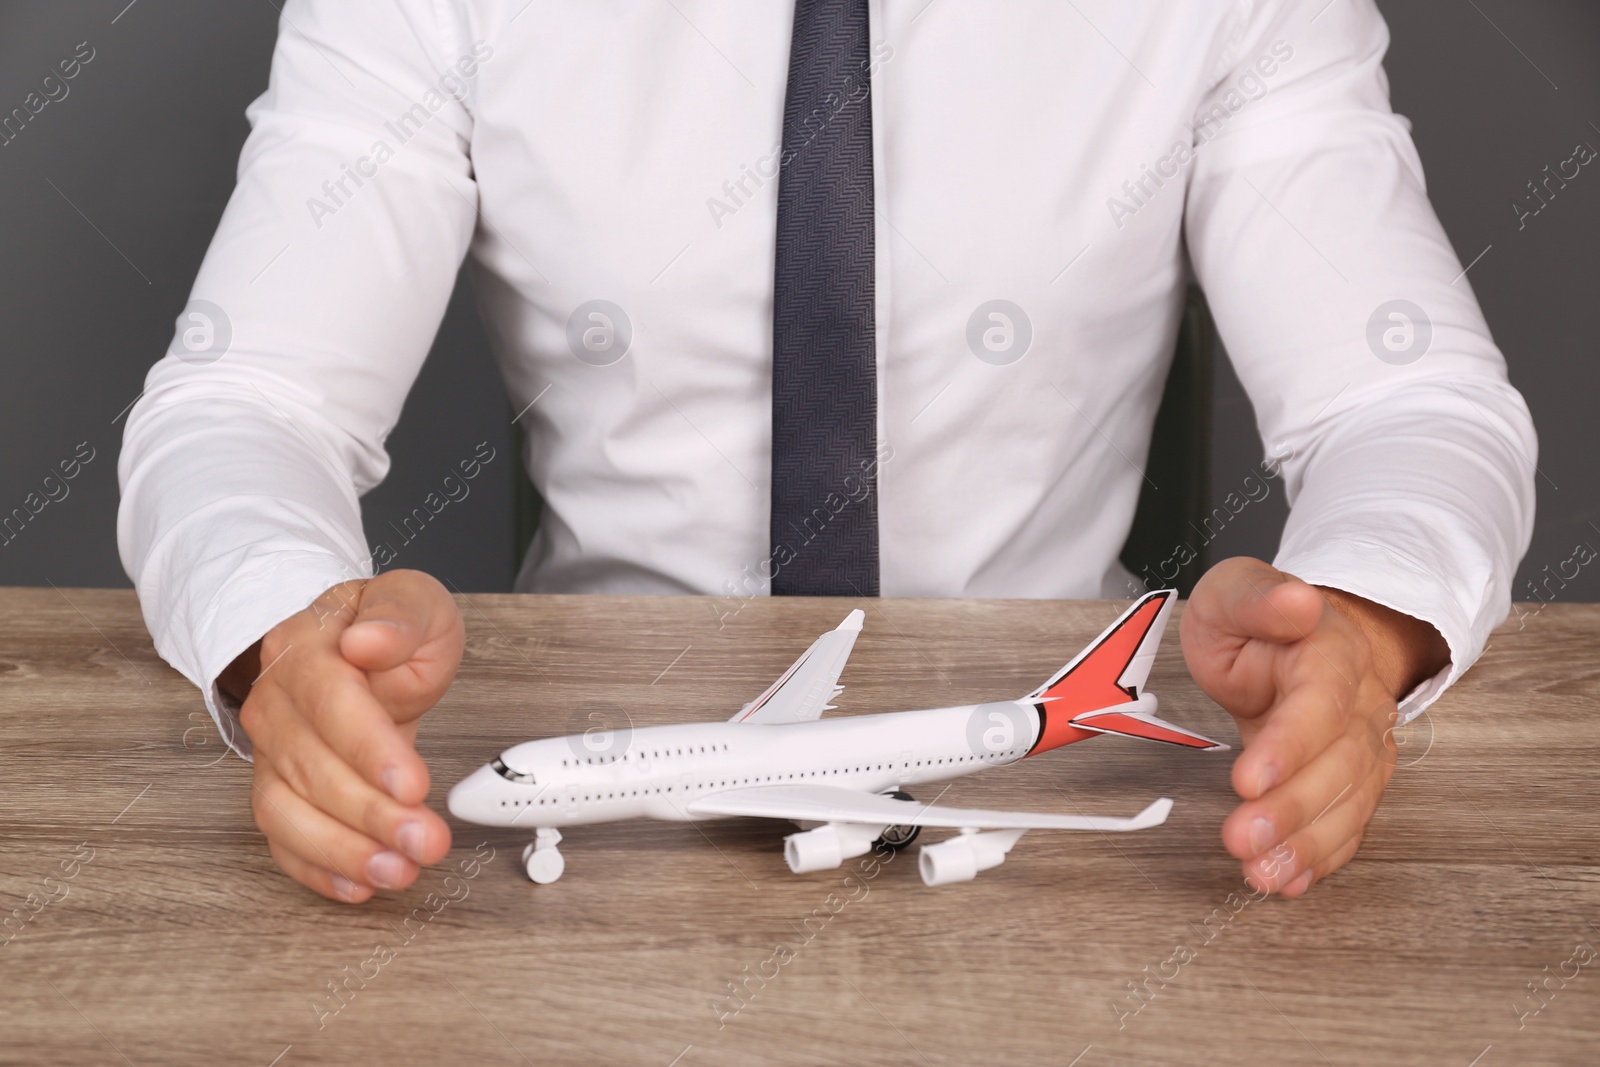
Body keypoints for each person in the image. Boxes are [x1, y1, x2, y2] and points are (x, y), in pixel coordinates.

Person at [119, 0, 1535, 904]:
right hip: (616, 782)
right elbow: (248, 404)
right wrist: (282, 637)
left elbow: (1404, 408)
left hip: (1036, 804)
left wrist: (1362, 615)